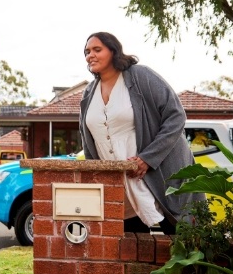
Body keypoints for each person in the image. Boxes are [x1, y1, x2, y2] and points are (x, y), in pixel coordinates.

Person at [79, 32, 204, 235]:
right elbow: (88, 140)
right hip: (121, 184)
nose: (90, 55)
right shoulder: (88, 93)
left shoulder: (140, 76)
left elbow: (176, 116)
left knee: (183, 239)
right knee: (131, 246)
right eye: (86, 52)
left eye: (97, 49)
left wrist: (147, 158)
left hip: (159, 174)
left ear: (113, 51)